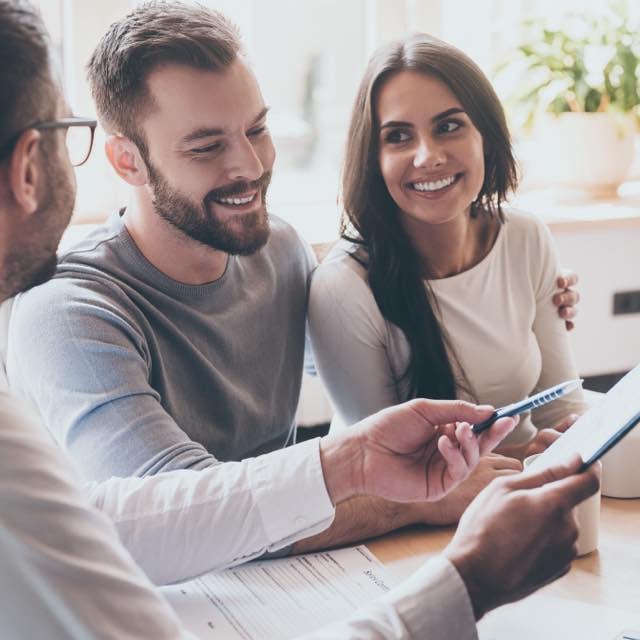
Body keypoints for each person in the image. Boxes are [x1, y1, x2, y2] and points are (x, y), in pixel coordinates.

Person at [0, 2, 600, 637]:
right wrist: (417, 497)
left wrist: (526, 287)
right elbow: (188, 514)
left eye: (256, 130)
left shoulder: (277, 250)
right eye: (207, 146)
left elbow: (382, 304)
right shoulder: (67, 311)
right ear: (126, 162)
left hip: (304, 591)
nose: (251, 168)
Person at [308, 33, 588, 520]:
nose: (427, 156)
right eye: (398, 136)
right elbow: (385, 476)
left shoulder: (524, 237)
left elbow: (562, 408)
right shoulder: (344, 288)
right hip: (400, 527)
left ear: (486, 134)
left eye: (449, 126)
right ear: (372, 159)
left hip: (521, 496)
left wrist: (573, 440)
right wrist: (528, 461)